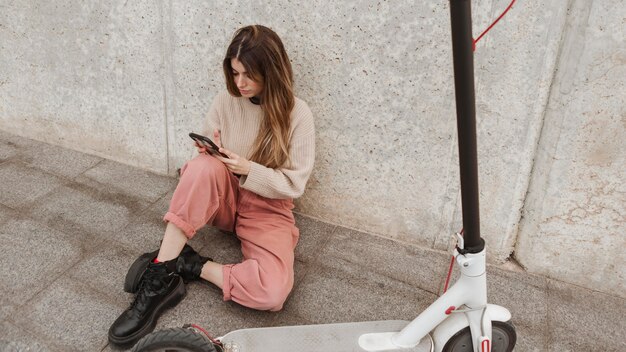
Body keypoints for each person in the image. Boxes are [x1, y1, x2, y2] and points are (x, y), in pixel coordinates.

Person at [108, 24, 315, 347]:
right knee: (202, 166)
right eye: (234, 73)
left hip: (268, 207)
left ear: (272, 71)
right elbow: (208, 161)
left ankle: (190, 263)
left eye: (249, 75)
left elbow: (293, 184)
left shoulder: (297, 114)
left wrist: (248, 168)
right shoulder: (225, 101)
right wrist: (210, 156)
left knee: (272, 293)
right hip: (225, 197)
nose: (240, 83)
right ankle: (161, 276)